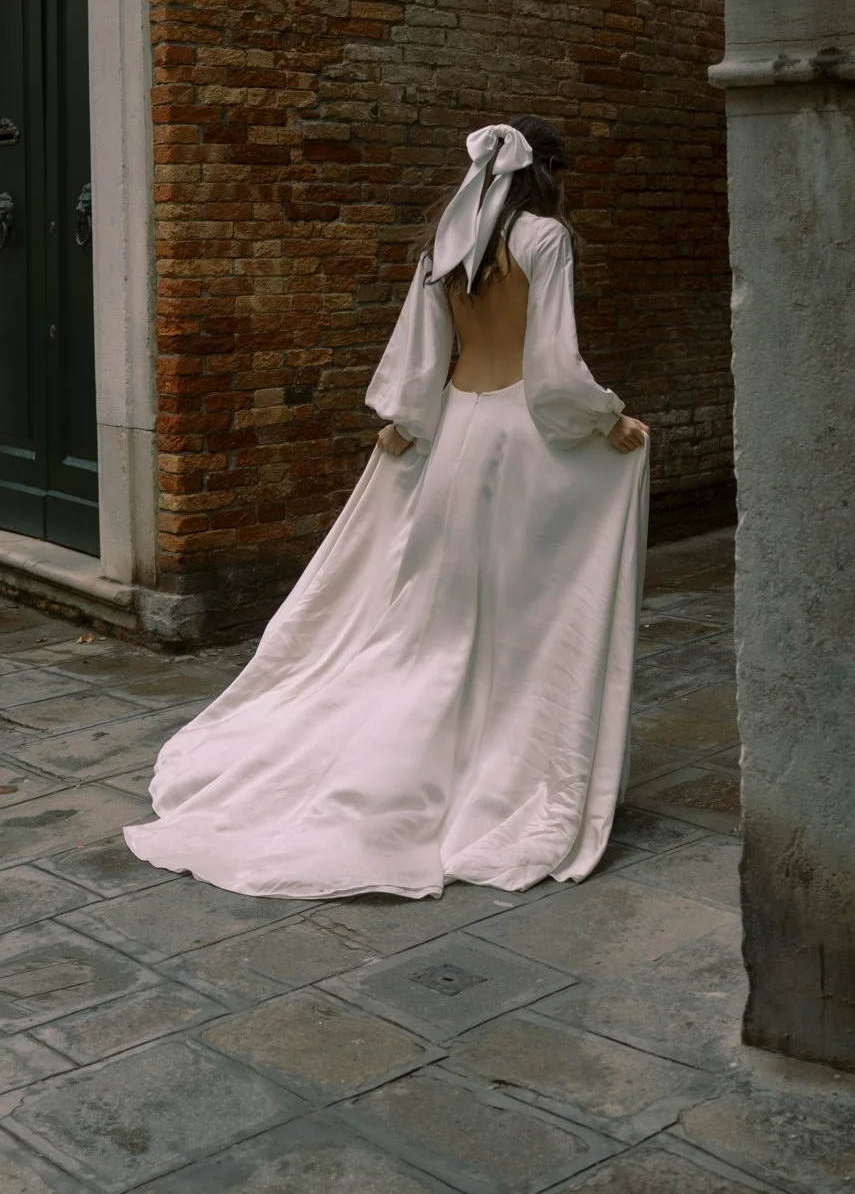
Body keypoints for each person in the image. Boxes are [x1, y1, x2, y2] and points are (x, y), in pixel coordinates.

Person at [122, 118, 651, 899]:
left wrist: (405, 424)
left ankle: (409, 758)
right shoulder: (545, 238)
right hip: (517, 440)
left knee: (437, 616)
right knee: (506, 612)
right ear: (548, 173)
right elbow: (552, 366)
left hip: (455, 434)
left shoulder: (445, 244)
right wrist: (608, 421)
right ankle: (480, 762)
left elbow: (418, 351)